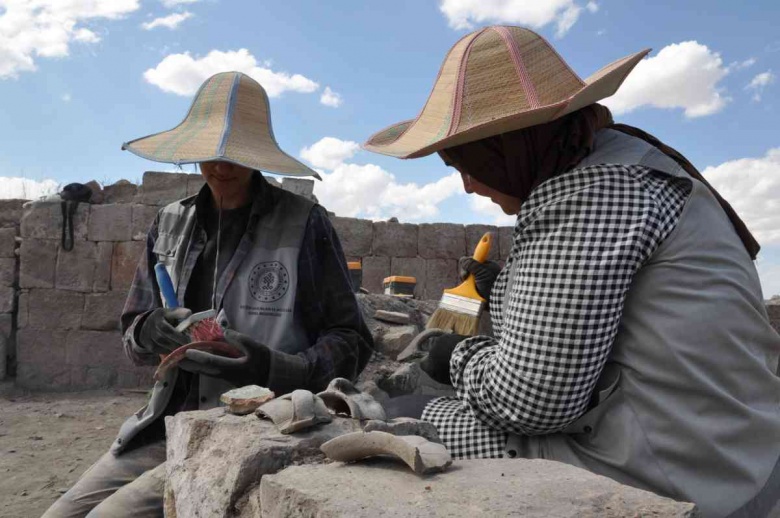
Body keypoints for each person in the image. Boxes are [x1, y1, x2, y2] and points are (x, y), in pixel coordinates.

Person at [366, 26, 780, 518]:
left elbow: (530, 402)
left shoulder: (592, 191)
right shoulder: (630, 166)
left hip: (673, 475)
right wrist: (506, 291)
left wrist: (458, 356)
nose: (471, 185)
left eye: (471, 162)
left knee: (397, 425)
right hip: (735, 454)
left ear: (514, 144)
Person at [43, 71, 373, 517]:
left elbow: (350, 341)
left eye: (234, 154)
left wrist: (268, 365)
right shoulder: (169, 222)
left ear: (257, 156)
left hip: (255, 428)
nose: (220, 166)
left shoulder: (304, 225)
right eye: (211, 153)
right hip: (166, 423)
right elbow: (133, 330)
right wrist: (149, 330)